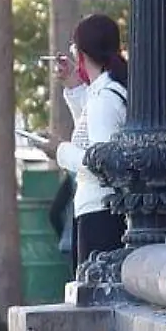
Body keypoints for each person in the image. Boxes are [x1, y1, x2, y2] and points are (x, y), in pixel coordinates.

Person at [38, 14, 128, 271]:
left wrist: (60, 151)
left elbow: (100, 162)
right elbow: (90, 130)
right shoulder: (107, 91)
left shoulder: (105, 98)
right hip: (100, 209)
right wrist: (73, 85)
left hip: (99, 212)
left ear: (81, 53)